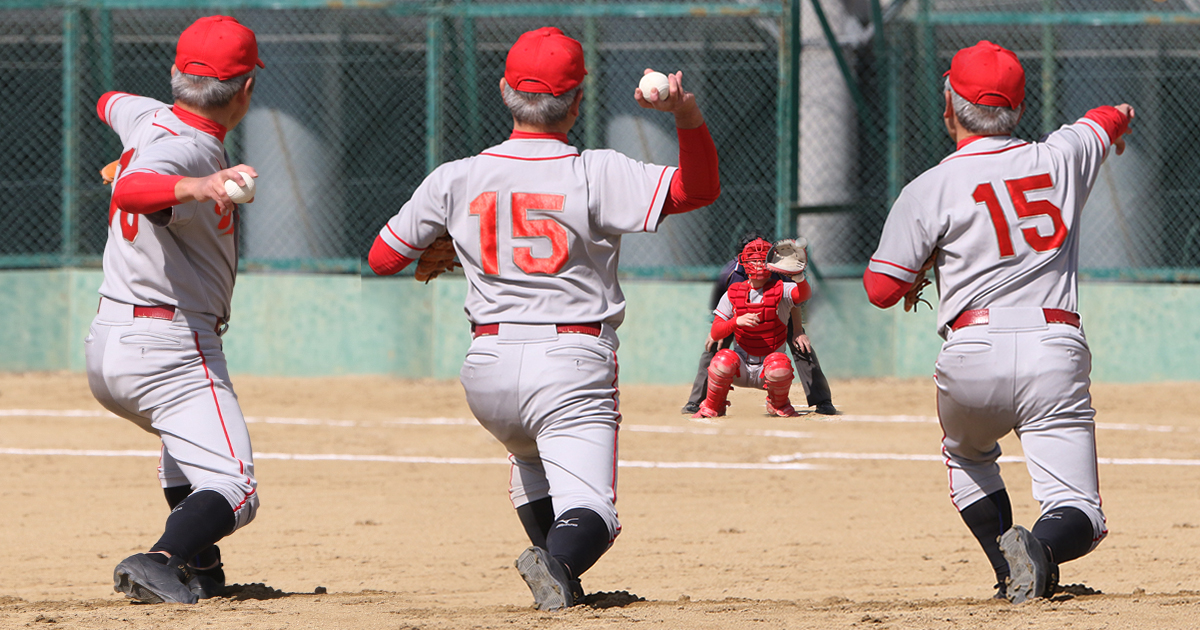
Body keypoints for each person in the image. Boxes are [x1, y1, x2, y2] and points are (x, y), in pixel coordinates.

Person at [366, 27, 720, 610]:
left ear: (505, 90)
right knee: (593, 512)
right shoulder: (596, 170)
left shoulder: (456, 176)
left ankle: (562, 581)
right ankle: (557, 564)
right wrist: (685, 111)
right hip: (571, 362)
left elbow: (384, 259)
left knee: (532, 460)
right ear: (579, 101)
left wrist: (460, 242)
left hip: (487, 366)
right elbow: (698, 189)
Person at [863, 40, 1133, 603]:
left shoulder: (929, 187)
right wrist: (1119, 122)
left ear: (949, 108)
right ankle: (1041, 550)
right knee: (1079, 510)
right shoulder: (1062, 156)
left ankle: (1009, 569)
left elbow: (881, 290)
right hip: (1053, 347)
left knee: (967, 455)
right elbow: (1104, 118)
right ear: (1018, 106)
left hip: (971, 350)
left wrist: (926, 263)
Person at [87, 15, 265, 604]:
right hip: (171, 346)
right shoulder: (192, 152)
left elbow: (106, 99)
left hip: (110, 343)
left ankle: (203, 569)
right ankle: (161, 559)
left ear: (175, 74)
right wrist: (191, 184)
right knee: (235, 486)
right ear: (246, 90)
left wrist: (134, 151)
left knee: (185, 457)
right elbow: (133, 191)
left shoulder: (145, 116)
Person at [682, 232, 836, 416]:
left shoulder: (777, 267)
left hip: (777, 314)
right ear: (741, 257)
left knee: (801, 346)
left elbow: (796, 301)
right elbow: (719, 308)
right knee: (716, 349)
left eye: (763, 255)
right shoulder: (729, 273)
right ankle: (699, 401)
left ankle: (821, 400)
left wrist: (797, 330)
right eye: (753, 256)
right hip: (738, 317)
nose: (759, 261)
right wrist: (718, 330)